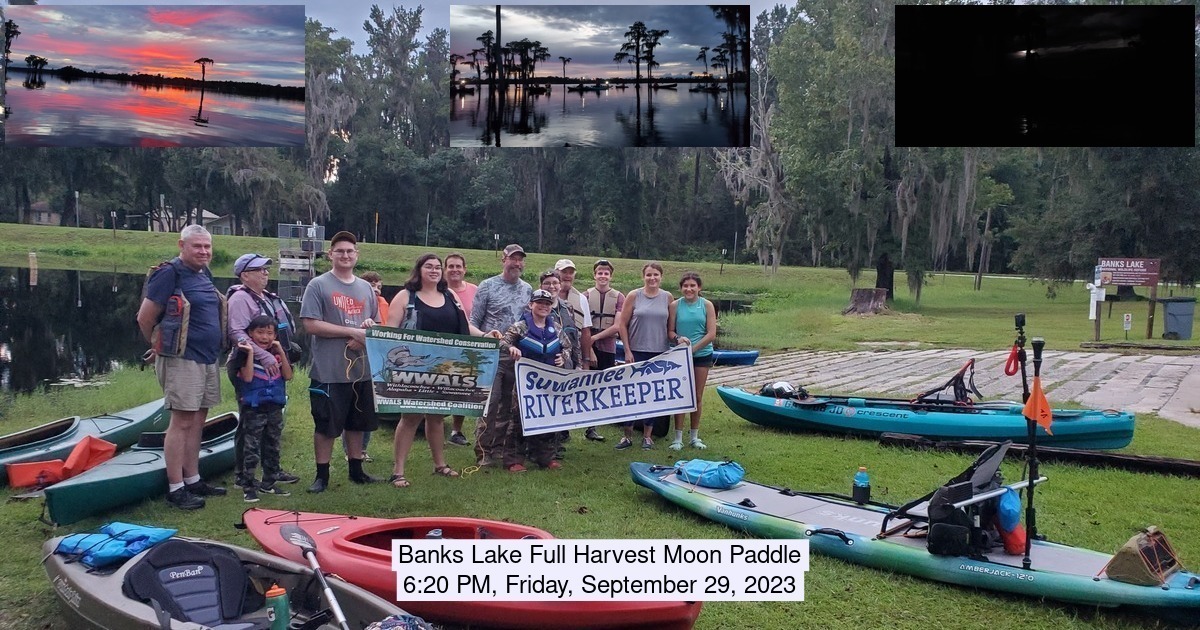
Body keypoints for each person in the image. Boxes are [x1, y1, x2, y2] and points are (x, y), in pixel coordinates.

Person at [135, 225, 227, 510]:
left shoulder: (203, 272)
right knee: (182, 421)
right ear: (182, 245)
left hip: (207, 357)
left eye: (207, 247)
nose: (203, 251)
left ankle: (193, 478)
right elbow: (144, 317)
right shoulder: (168, 273)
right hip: (181, 359)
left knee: (198, 420)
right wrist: (157, 344)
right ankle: (176, 488)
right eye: (197, 246)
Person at [385, 253, 495, 488]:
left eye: (437, 267)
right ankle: (398, 471)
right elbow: (389, 333)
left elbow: (465, 327)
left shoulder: (450, 295)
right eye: (429, 267)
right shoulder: (406, 296)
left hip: (445, 369)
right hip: (415, 369)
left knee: (436, 416)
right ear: (419, 269)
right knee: (410, 417)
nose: (434, 271)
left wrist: (486, 336)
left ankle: (440, 464)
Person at [299, 231, 379, 493]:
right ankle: (322, 476)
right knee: (326, 425)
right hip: (329, 370)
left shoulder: (366, 288)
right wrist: (350, 332)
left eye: (350, 251)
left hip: (361, 370)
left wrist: (365, 330)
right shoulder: (318, 285)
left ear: (357, 255)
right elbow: (310, 324)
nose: (345, 255)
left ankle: (356, 470)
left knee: (357, 423)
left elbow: (375, 324)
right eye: (340, 251)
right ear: (331, 254)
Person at [226, 252, 300, 486]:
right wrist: (265, 355)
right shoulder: (240, 299)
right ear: (245, 275)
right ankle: (243, 475)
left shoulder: (265, 297)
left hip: (272, 362)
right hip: (250, 364)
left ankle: (272, 470)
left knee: (272, 420)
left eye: (266, 269)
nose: (266, 273)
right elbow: (237, 333)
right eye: (260, 270)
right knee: (250, 420)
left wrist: (279, 354)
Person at [469, 244, 531, 467]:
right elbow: (472, 322)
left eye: (520, 260)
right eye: (512, 259)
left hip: (516, 355)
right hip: (491, 354)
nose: (516, 263)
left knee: (509, 404)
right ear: (503, 260)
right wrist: (485, 335)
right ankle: (483, 450)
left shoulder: (527, 290)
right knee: (490, 403)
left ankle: (499, 448)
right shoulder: (487, 286)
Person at [614, 261, 687, 450]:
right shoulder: (634, 295)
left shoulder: (668, 297)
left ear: (661, 277)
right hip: (636, 351)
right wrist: (627, 351)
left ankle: (648, 436)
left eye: (656, 275)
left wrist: (679, 340)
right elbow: (622, 324)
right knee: (631, 393)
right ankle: (627, 436)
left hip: (659, 353)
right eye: (649, 275)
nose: (652, 278)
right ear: (643, 276)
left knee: (652, 395)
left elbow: (672, 326)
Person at [499, 289, 568, 471]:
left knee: (547, 418)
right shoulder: (521, 327)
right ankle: (514, 460)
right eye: (540, 303)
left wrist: (564, 357)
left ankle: (545, 458)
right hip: (524, 383)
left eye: (547, 303)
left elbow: (567, 347)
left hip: (548, 382)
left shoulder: (556, 328)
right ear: (531, 305)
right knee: (518, 419)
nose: (544, 306)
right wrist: (512, 349)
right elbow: (503, 342)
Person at [230, 314, 294, 502]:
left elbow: (288, 375)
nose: (265, 337)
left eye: (269, 333)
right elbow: (248, 378)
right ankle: (248, 485)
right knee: (252, 447)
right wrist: (250, 352)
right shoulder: (242, 354)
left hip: (274, 406)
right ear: (250, 333)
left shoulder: (275, 355)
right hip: (254, 408)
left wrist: (281, 351)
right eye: (260, 333)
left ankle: (269, 482)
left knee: (272, 444)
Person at [552, 260, 603, 442]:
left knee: (576, 392)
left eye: (570, 272)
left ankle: (579, 429)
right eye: (563, 272)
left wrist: (586, 359)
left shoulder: (580, 298)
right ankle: (553, 432)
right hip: (549, 354)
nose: (567, 275)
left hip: (573, 355)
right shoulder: (542, 296)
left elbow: (586, 330)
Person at [667, 272, 717, 451]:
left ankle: (694, 436)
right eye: (685, 286)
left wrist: (693, 349)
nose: (689, 289)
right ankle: (678, 438)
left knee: (696, 396)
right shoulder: (675, 305)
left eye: (692, 286)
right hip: (680, 357)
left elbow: (711, 334)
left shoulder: (707, 305)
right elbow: (670, 332)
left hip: (701, 355)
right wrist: (678, 338)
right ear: (681, 288)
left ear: (699, 288)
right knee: (680, 396)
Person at [345, 270, 389, 463]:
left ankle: (363, 449)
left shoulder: (384, 305)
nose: (376, 290)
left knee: (369, 408)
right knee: (351, 407)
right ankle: (349, 451)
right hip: (353, 362)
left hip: (377, 361)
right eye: (372, 286)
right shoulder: (354, 303)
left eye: (379, 287)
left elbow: (386, 328)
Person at [445, 253, 478, 447]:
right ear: (445, 269)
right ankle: (432, 425)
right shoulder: (437, 289)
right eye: (451, 266)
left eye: (458, 266)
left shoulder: (475, 290)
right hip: (443, 345)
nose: (455, 270)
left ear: (465, 269)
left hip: (467, 344)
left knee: (463, 386)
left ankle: (456, 430)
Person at [585, 259, 624, 371]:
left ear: (610, 277)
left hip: (608, 347)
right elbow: (582, 326)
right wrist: (589, 346)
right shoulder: (585, 296)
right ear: (594, 275)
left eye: (606, 274)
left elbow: (617, 326)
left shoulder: (619, 297)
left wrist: (595, 337)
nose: (603, 276)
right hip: (588, 346)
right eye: (600, 273)